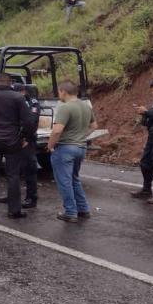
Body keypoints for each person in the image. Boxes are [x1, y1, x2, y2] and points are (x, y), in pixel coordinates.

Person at [0, 73, 34, 218]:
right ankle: (14, 210)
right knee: (13, 175)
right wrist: (26, 137)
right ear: (10, 83)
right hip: (12, 140)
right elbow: (28, 121)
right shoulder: (17, 97)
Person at [47, 80, 97, 223]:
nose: (59, 95)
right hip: (80, 148)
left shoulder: (65, 107)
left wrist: (50, 146)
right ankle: (83, 209)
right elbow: (94, 126)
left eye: (59, 92)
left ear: (63, 91)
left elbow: (57, 131)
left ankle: (70, 212)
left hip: (65, 148)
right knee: (74, 179)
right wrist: (82, 136)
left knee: (64, 181)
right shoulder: (86, 106)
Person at [0, 84, 40, 208]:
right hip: (13, 139)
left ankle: (31, 198)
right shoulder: (16, 101)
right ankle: (12, 195)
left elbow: (31, 123)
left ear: (22, 91)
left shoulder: (31, 103)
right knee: (12, 168)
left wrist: (25, 138)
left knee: (29, 169)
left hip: (26, 140)